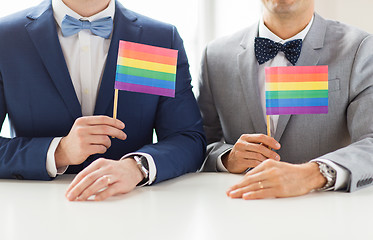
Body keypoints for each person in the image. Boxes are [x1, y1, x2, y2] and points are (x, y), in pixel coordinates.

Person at [0, 0, 206, 201]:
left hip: (131, 206)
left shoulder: (157, 38)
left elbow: (187, 139)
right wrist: (58, 152)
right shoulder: (6, 38)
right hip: (34, 209)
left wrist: (137, 167)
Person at [198, 0, 373, 200]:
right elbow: (197, 143)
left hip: (324, 211)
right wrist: (227, 158)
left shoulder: (359, 48)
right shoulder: (214, 55)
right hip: (242, 209)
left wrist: (312, 174)